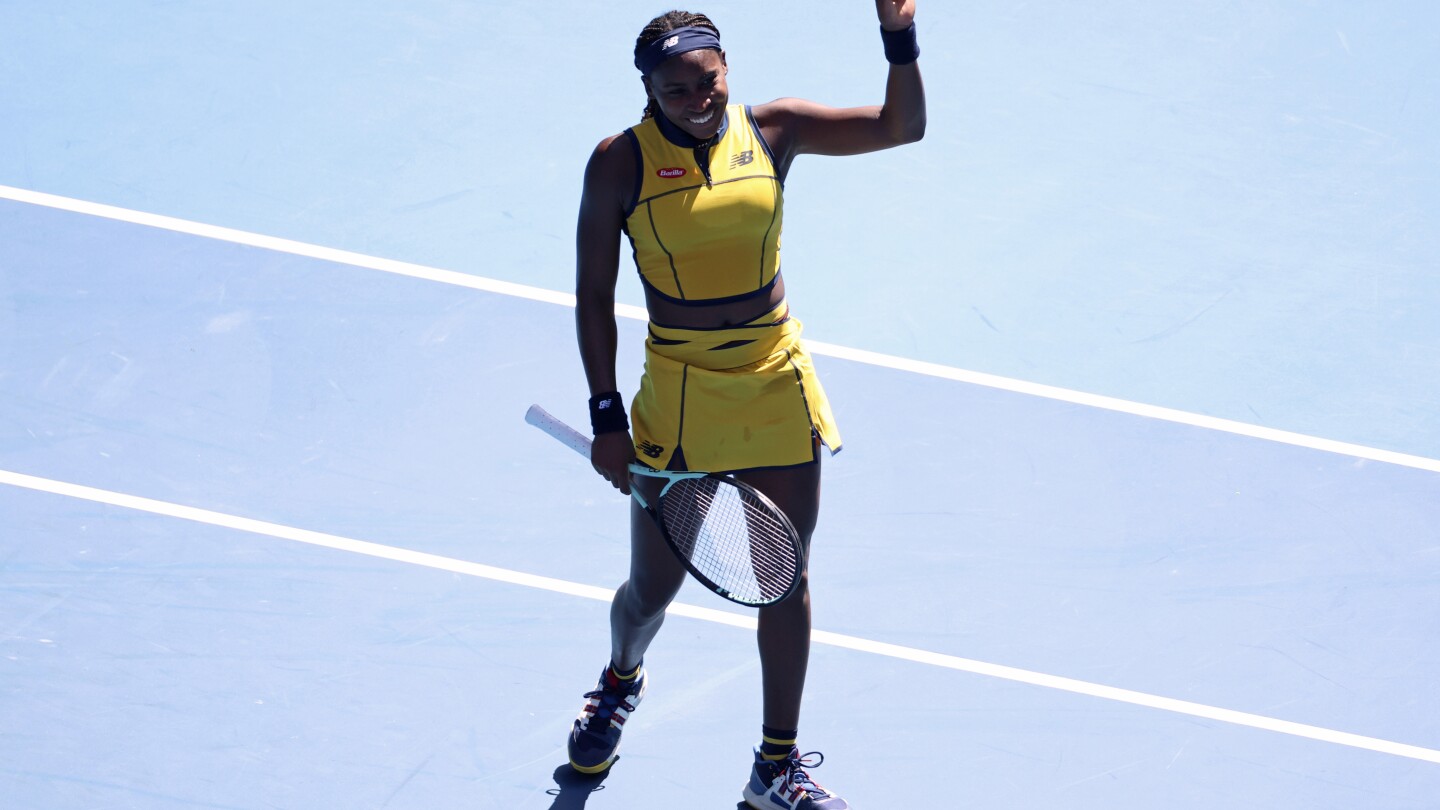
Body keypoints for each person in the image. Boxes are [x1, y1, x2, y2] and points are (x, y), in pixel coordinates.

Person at [569, 3, 924, 807]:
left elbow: (903, 126)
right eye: (677, 88)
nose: (699, 97)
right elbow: (595, 295)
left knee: (784, 577)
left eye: (710, 80)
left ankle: (775, 767)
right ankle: (622, 676)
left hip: (771, 376)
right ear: (648, 90)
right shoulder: (618, 165)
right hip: (682, 393)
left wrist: (898, 38)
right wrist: (605, 417)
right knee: (651, 591)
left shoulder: (774, 131)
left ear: (728, 70)